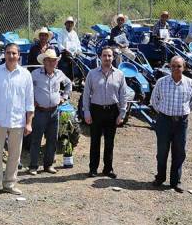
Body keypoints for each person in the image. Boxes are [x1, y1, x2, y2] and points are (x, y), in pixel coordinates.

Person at [0, 43, 34, 198]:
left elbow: (29, 101)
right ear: (4, 54)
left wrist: (28, 122)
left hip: (17, 120)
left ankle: (9, 184)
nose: (11, 56)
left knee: (15, 154)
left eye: (14, 53)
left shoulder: (25, 75)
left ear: (19, 55)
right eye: (8, 53)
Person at [150, 56, 192, 193]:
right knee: (162, 151)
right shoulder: (161, 82)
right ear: (169, 67)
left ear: (184, 67)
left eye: (179, 66)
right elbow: (154, 100)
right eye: (173, 66)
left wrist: (183, 112)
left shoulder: (190, 83)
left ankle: (175, 181)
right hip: (164, 121)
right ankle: (160, 178)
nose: (176, 68)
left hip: (181, 123)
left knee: (179, 152)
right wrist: (164, 114)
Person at [82, 46, 127, 178]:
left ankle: (108, 169)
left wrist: (122, 113)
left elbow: (123, 96)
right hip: (96, 110)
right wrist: (86, 112)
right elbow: (86, 94)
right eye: (104, 55)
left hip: (112, 111)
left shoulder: (119, 74)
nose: (107, 58)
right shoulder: (92, 74)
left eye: (109, 56)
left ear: (113, 57)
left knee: (109, 142)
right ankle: (93, 169)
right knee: (95, 141)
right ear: (100, 57)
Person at [28, 49, 72, 175]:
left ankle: (48, 165)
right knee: (36, 139)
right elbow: (27, 88)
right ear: (44, 61)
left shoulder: (59, 74)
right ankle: (33, 166)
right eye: (50, 60)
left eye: (54, 61)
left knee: (52, 139)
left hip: (54, 111)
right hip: (40, 111)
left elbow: (69, 84)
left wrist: (64, 96)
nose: (52, 63)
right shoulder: (35, 74)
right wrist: (32, 100)